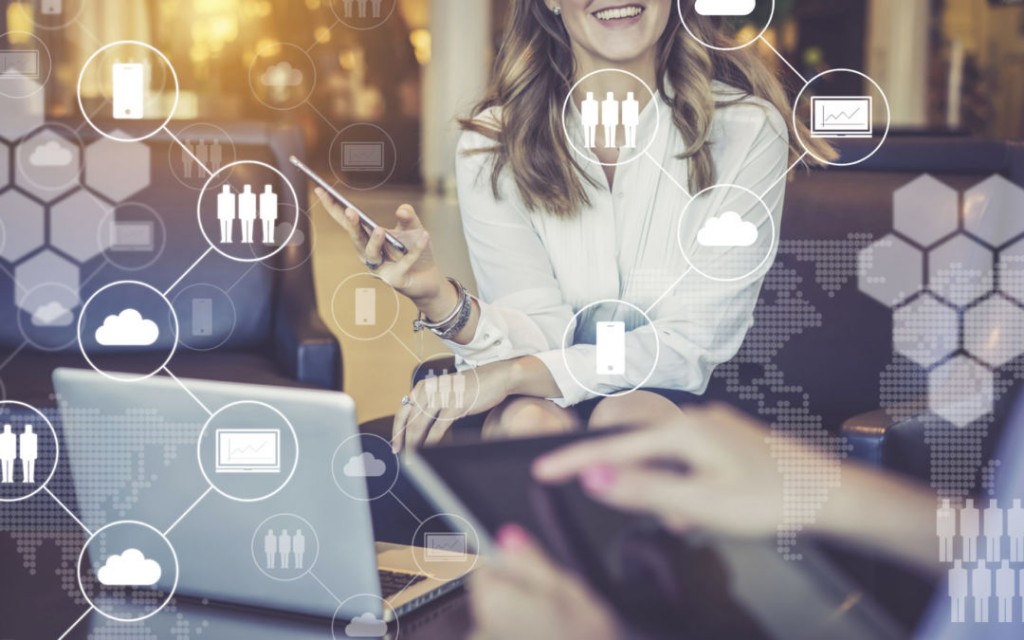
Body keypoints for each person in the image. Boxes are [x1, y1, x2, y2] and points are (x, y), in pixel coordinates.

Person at [315, 0, 836, 452]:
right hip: (547, 392)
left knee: (624, 420)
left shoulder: (748, 131)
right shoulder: (492, 144)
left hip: (689, 398)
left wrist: (515, 374)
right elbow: (537, 325)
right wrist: (440, 300)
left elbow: (688, 343)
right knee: (525, 421)